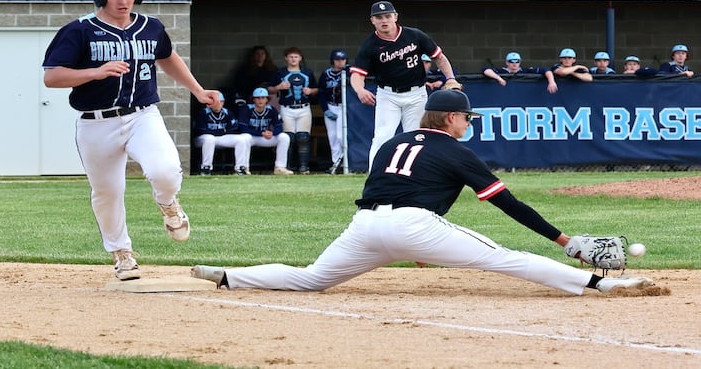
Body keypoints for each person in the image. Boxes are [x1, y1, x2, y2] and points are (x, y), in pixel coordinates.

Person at [191, 90, 654, 295]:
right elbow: (508, 204)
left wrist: (416, 243)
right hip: (414, 226)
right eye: (466, 118)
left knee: (312, 278)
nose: (468, 123)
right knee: (504, 258)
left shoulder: (394, 142)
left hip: (366, 227)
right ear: (451, 119)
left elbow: (388, 185)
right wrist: (565, 240)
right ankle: (605, 283)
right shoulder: (457, 151)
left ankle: (231, 276)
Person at [42, 0, 217, 281]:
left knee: (164, 170)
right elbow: (52, 77)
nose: (123, 0)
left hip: (142, 115)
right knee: (107, 191)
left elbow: (167, 56)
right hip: (96, 122)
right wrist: (95, 72)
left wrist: (198, 90)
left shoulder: (150, 26)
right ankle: (122, 253)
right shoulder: (79, 30)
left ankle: (169, 205)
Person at [350, 1, 460, 170]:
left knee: (418, 137)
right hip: (388, 95)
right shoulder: (370, 45)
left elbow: (439, 57)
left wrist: (450, 78)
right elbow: (357, 73)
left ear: (395, 17)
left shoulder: (414, 35)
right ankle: (375, 179)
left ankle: (415, 176)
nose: (384, 20)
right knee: (382, 137)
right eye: (379, 17)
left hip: (416, 93)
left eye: (387, 16)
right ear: (372, 20)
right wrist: (359, 89)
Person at [268, 47, 318, 174]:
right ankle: (287, 166)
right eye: (290, 57)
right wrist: (279, 87)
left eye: (296, 57)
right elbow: (269, 89)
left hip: (304, 107)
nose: (293, 59)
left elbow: (317, 88)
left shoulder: (307, 72)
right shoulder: (281, 73)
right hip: (287, 108)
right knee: (288, 137)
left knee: (303, 137)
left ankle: (303, 167)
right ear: (286, 58)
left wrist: (310, 91)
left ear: (300, 58)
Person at [192, 92, 252, 176]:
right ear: (209, 103)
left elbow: (232, 129)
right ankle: (206, 168)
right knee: (210, 138)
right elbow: (201, 130)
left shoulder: (227, 112)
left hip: (219, 138)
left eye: (220, 102)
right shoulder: (203, 112)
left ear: (223, 103)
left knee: (241, 139)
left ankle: (240, 168)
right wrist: (222, 131)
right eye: (215, 102)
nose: (218, 104)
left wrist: (222, 132)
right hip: (203, 138)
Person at [239, 88, 293, 175]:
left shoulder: (271, 109)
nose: (260, 100)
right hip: (253, 137)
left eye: (263, 98)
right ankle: (244, 168)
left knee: (284, 137)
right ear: (253, 99)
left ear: (267, 99)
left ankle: (280, 167)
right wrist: (261, 133)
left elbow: (279, 127)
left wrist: (272, 133)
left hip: (266, 137)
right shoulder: (247, 109)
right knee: (244, 137)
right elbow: (243, 128)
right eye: (258, 98)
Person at [318, 49, 348, 175]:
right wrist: (325, 110)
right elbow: (321, 93)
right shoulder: (326, 74)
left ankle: (345, 161)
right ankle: (336, 163)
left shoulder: (349, 73)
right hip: (331, 106)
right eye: (337, 60)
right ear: (333, 61)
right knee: (333, 137)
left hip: (344, 107)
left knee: (342, 137)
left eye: (342, 59)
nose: (340, 62)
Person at [482, 52, 558, 94]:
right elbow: (485, 70)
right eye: (511, 61)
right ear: (507, 62)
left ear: (520, 62)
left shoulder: (525, 70)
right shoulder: (501, 71)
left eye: (517, 61)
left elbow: (546, 70)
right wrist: (498, 78)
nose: (514, 64)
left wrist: (551, 82)